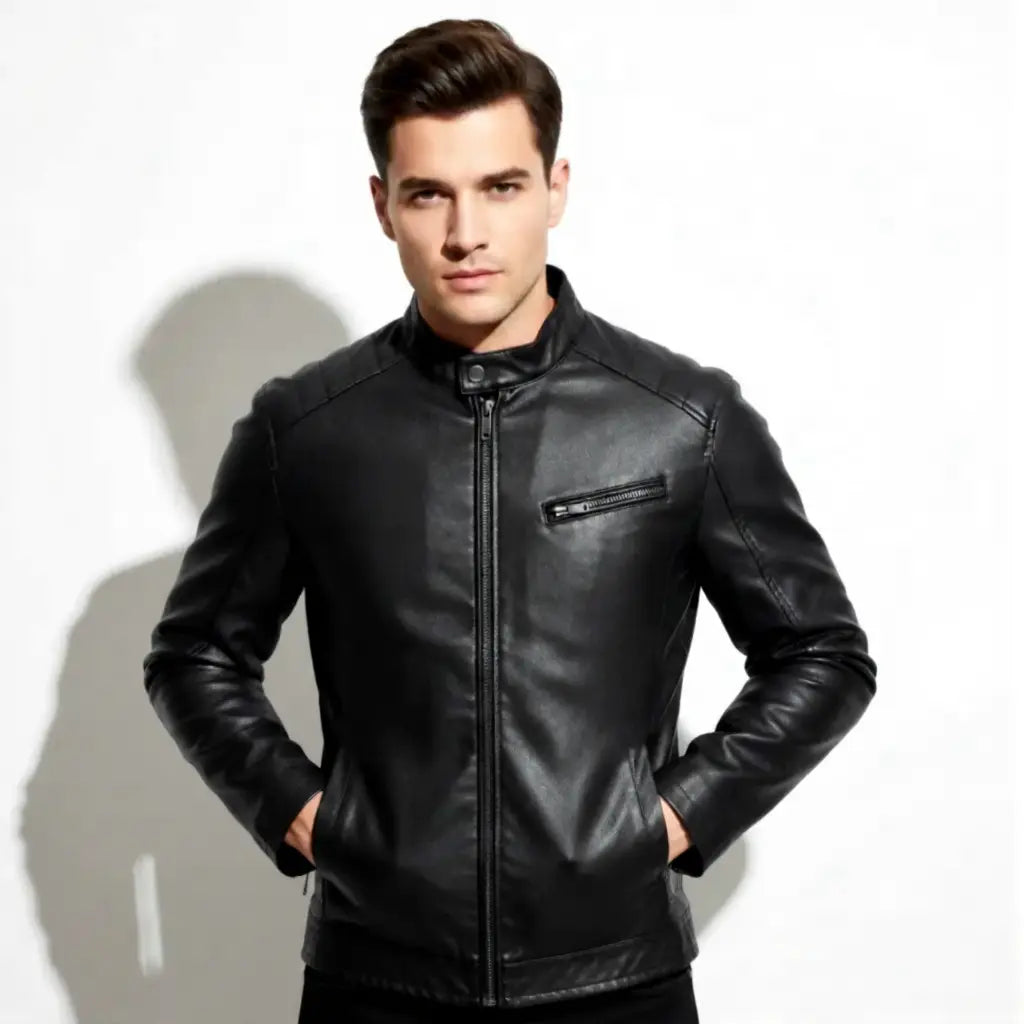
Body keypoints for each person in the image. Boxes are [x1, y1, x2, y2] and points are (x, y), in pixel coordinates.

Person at [143, 17, 877, 1023]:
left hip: (616, 982)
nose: (466, 233)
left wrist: (665, 820)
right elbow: (194, 656)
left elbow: (822, 653)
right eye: (428, 193)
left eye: (500, 187)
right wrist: (312, 817)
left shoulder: (678, 420)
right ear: (382, 205)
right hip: (376, 983)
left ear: (554, 188)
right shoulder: (306, 429)